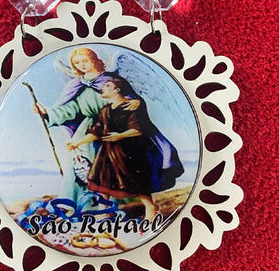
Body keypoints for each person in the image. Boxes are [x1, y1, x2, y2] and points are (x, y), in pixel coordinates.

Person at [67, 77, 184, 220]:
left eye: (107, 85)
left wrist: (120, 136)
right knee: (103, 181)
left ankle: (150, 210)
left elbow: (138, 129)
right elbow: (96, 131)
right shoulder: (105, 111)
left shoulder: (132, 107)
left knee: (137, 184)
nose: (103, 88)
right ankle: (105, 211)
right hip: (107, 153)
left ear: (117, 89)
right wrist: (77, 143)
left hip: (130, 152)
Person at [33, 48, 139, 202]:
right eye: (77, 63)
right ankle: (82, 202)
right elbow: (72, 108)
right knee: (81, 165)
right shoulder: (76, 85)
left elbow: (127, 97)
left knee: (117, 163)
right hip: (88, 129)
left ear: (94, 60)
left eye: (85, 61)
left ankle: (120, 201)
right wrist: (46, 112)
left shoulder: (111, 80)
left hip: (115, 124)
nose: (81, 65)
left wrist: (135, 102)